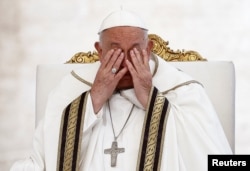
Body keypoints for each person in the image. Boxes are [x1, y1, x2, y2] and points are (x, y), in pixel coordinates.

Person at [11, 9, 232, 171]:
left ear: (149, 48)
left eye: (135, 51)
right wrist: (94, 99)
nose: (125, 63)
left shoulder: (184, 91)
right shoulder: (70, 89)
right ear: (99, 51)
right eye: (115, 52)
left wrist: (152, 100)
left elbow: (213, 156)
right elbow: (43, 159)